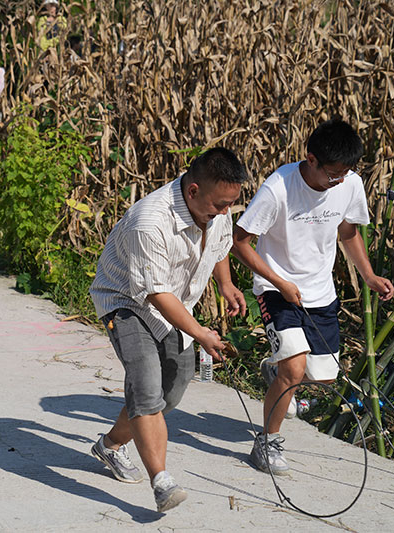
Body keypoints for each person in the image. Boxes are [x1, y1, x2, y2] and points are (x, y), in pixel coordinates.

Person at [89, 148, 249, 512]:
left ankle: (110, 445)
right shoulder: (151, 220)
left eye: (230, 205)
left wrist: (224, 284)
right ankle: (162, 482)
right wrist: (203, 334)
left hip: (176, 305)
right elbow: (156, 294)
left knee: (171, 392)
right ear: (192, 191)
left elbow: (220, 245)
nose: (225, 213)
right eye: (219, 205)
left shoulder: (216, 209)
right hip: (127, 301)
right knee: (145, 386)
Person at [232, 118, 394, 476]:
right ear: (311, 159)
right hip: (278, 289)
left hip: (320, 291)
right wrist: (278, 280)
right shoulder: (278, 188)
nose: (339, 179)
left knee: (322, 376)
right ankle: (267, 443)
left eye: (346, 172)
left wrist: (368, 275)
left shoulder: (350, 183)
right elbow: (240, 240)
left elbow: (348, 230)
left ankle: (275, 370)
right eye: (333, 173)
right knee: (293, 368)